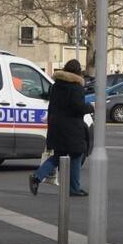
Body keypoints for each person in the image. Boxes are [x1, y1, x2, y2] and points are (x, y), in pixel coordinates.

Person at [29, 59, 93, 197]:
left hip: (56, 126)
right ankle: (74, 188)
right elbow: (77, 108)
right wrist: (91, 107)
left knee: (59, 155)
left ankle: (37, 177)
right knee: (77, 154)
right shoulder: (76, 87)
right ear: (78, 72)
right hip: (71, 128)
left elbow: (52, 106)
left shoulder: (56, 86)